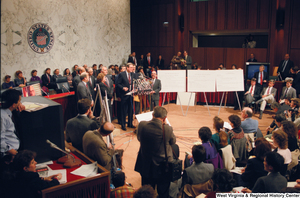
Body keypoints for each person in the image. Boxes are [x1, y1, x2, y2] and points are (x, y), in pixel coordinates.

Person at [134, 106, 176, 198]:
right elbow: (173, 142)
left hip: (146, 163)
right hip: (162, 166)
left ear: (152, 115)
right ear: (165, 118)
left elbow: (139, 138)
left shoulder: (142, 125)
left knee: (147, 192)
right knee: (163, 192)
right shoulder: (167, 128)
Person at [1, 89, 22, 161]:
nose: (20, 103)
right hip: (8, 155)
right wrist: (11, 152)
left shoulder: (7, 112)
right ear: (13, 104)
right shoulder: (2, 117)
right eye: (19, 101)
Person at [116, 63, 135, 131]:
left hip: (131, 94)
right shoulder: (122, 74)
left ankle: (130, 123)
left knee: (130, 110)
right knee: (124, 111)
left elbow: (133, 83)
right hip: (124, 95)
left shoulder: (133, 74)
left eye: (133, 67)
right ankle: (123, 125)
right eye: (131, 67)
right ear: (127, 68)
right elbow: (118, 84)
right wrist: (123, 88)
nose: (132, 69)